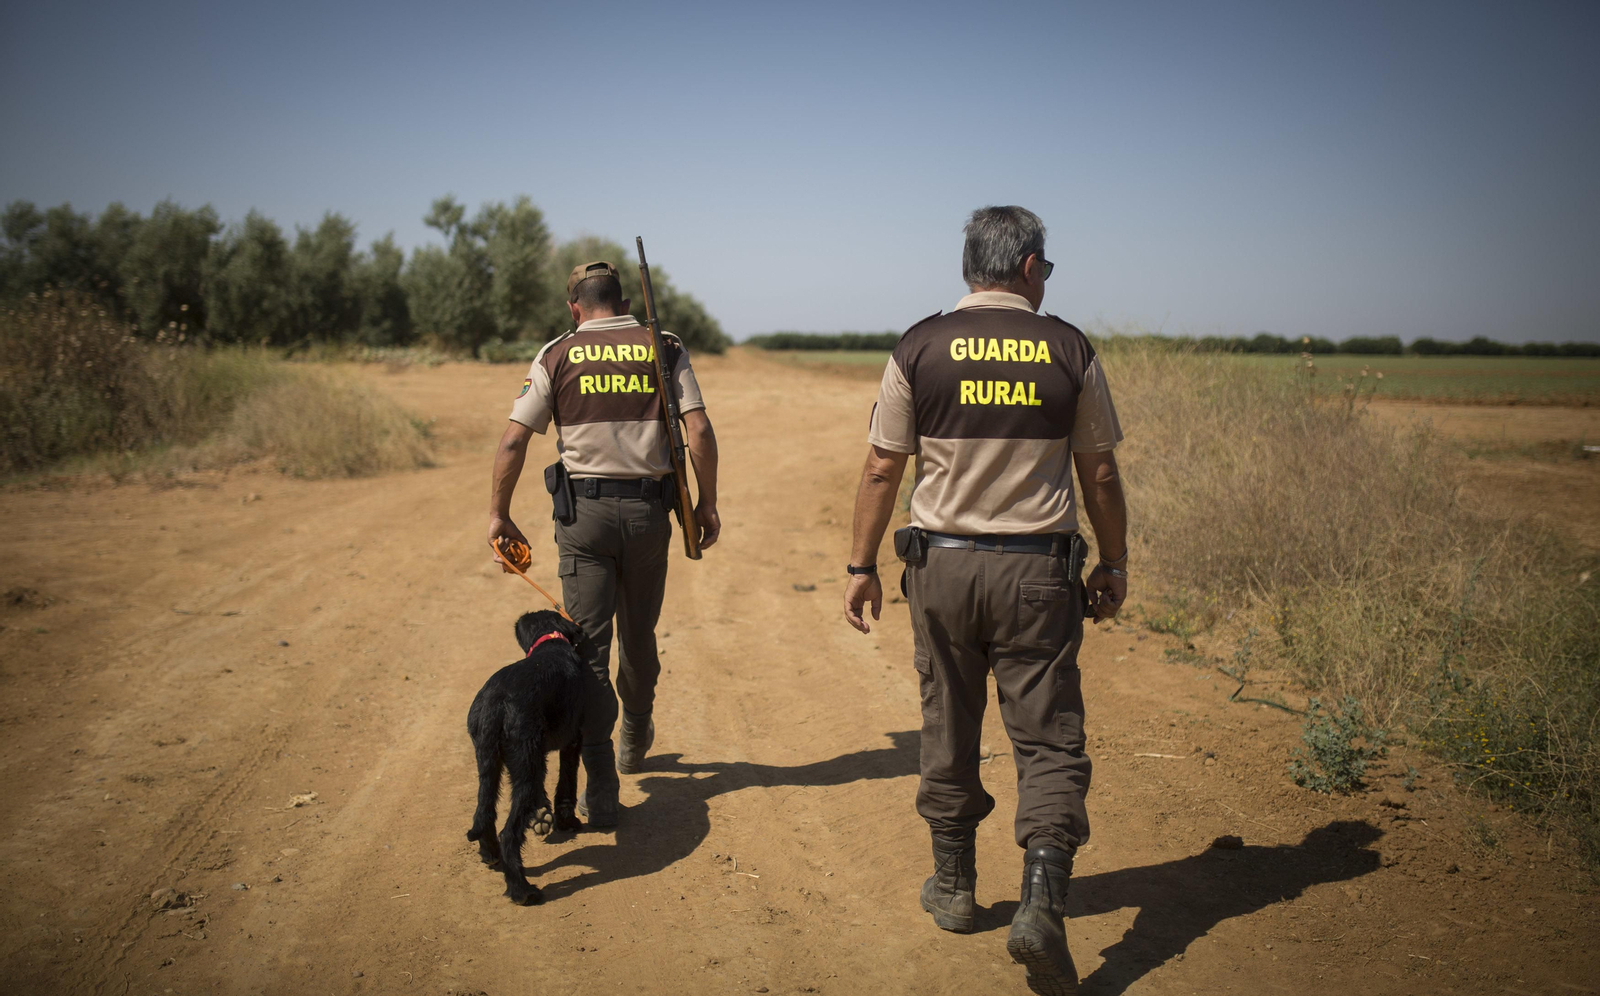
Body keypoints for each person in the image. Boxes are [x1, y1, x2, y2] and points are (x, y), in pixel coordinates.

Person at [842, 206, 1128, 995]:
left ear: (974, 265)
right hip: (1039, 574)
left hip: (942, 568)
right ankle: (1041, 900)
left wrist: (861, 564)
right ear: (1030, 266)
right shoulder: (1070, 348)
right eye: (1048, 269)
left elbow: (879, 468)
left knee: (949, 717)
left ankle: (957, 887)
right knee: (1047, 741)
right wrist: (1115, 561)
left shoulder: (919, 345)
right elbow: (1098, 473)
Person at [489, 260, 721, 827]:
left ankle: (601, 786)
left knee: (588, 651)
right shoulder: (662, 345)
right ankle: (636, 726)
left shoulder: (557, 352)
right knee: (638, 636)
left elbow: (515, 440)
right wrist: (706, 503)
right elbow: (699, 431)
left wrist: (498, 514)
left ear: (575, 306)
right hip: (648, 514)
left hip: (583, 519)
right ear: (619, 300)